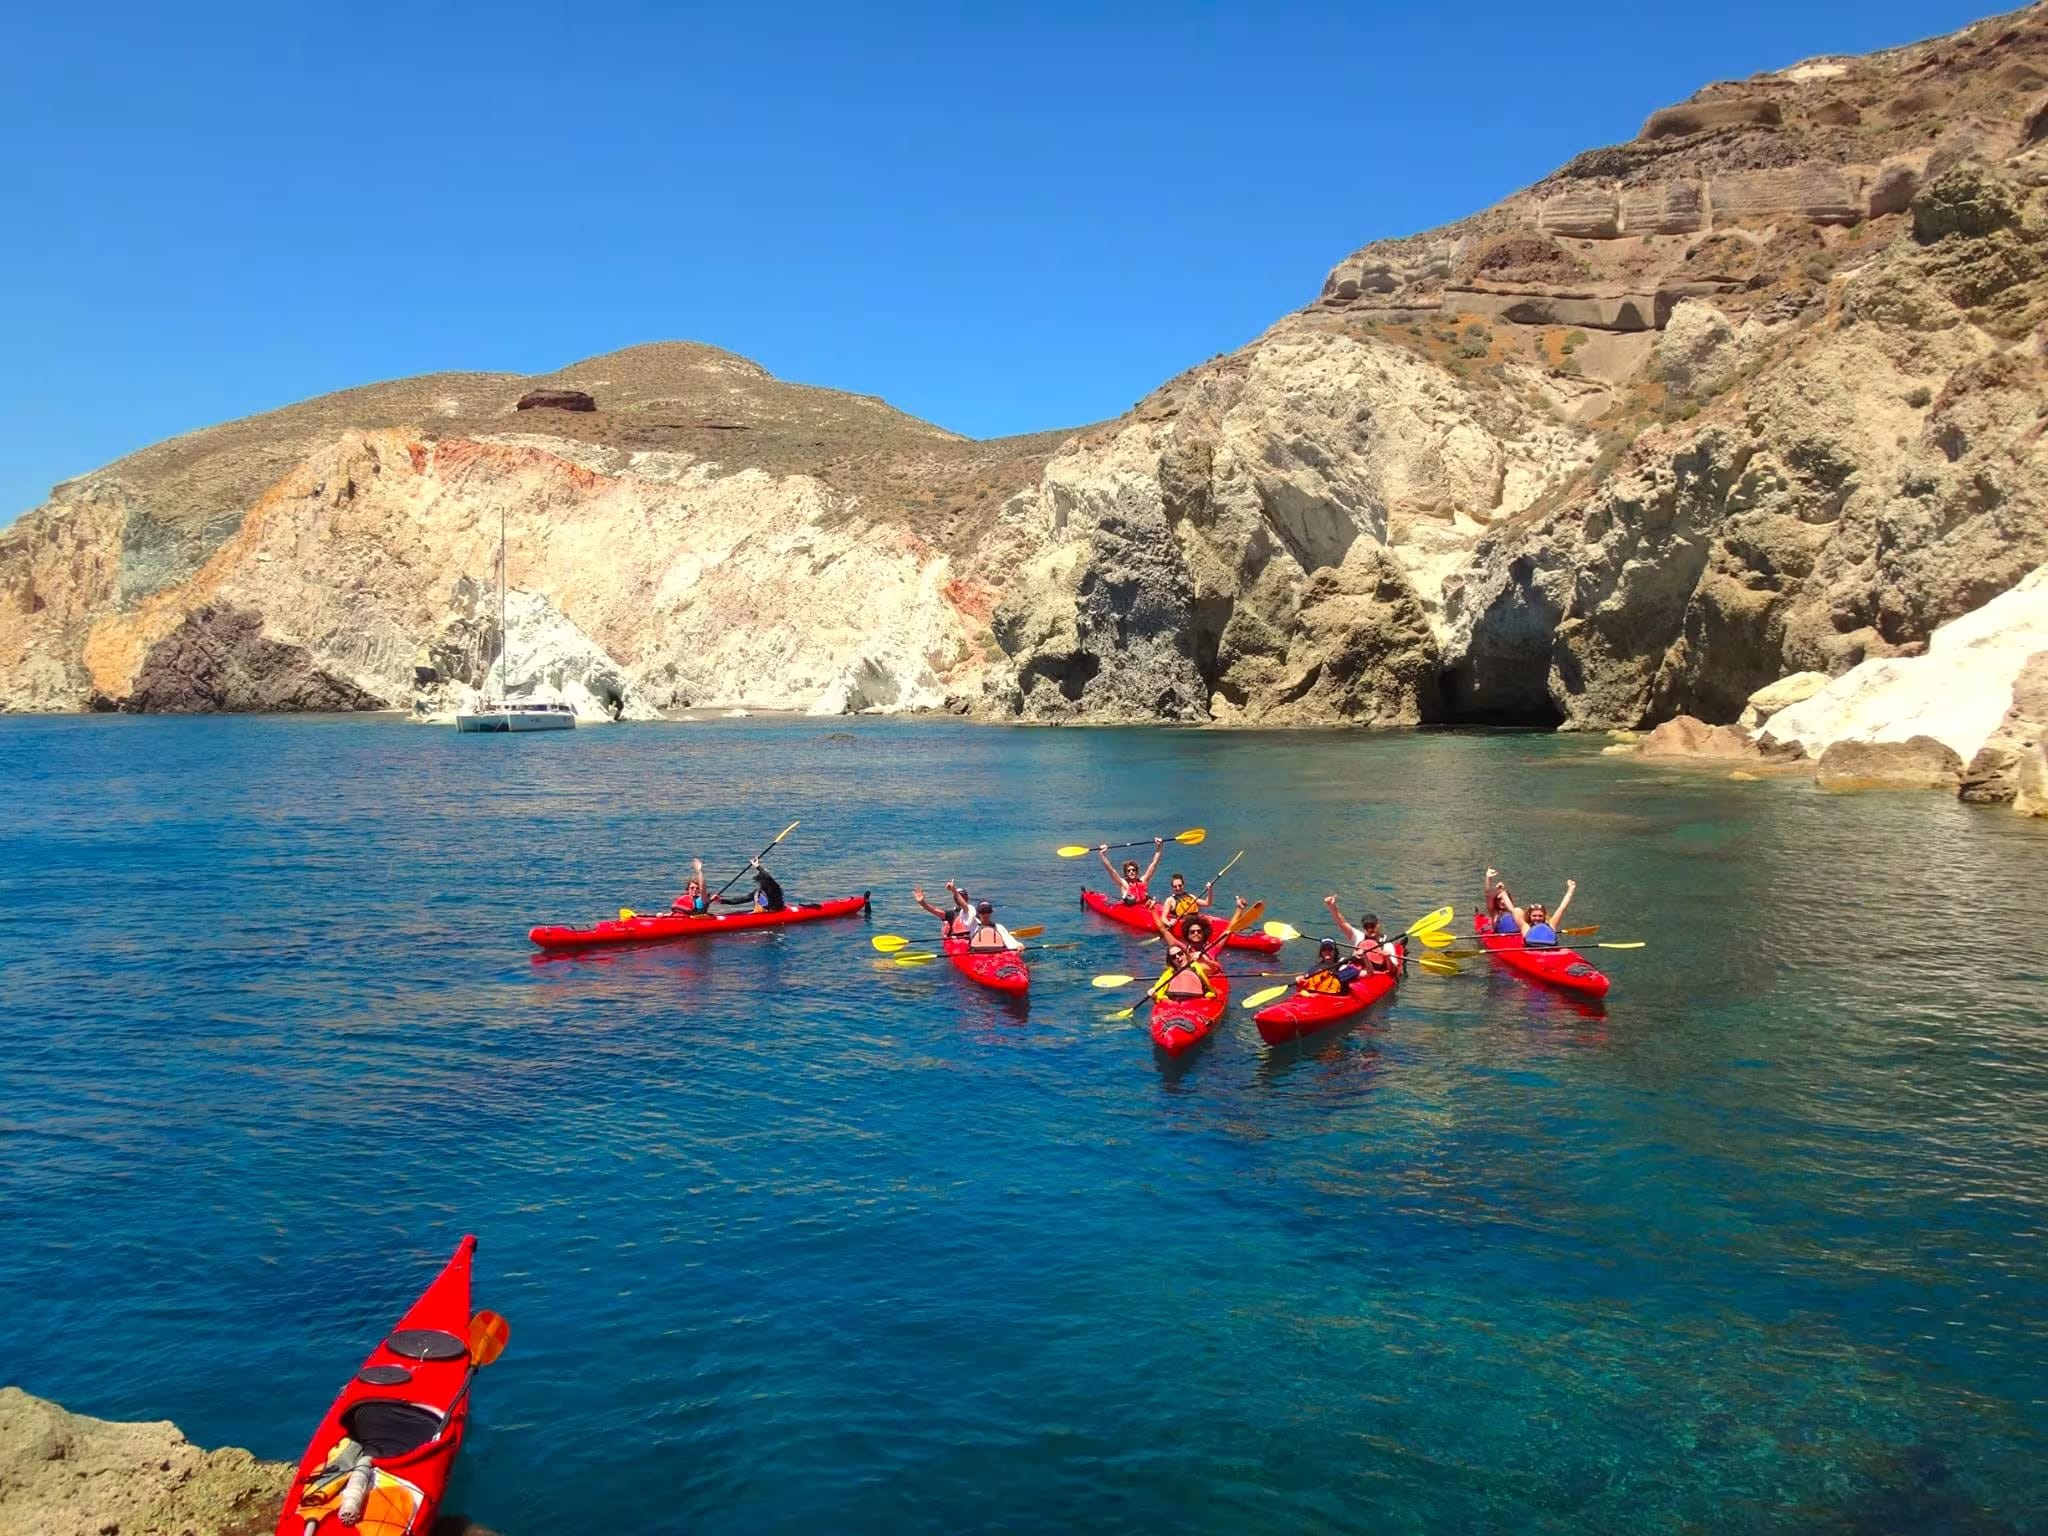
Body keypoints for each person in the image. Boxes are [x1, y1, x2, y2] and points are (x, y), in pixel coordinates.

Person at [1150, 900, 1244, 998]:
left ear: (1203, 933)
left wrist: (1239, 909)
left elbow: (1228, 930)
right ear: (1188, 934)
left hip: (1208, 982)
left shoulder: (1212, 948)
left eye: (1199, 931)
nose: (1196, 934)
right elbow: (1164, 931)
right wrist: (1153, 910)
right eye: (1192, 932)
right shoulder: (1183, 950)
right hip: (1188, 983)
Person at [1483, 868, 1575, 946]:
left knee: (1517, 910)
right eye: (1534, 916)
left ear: (1544, 916)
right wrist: (1498, 887)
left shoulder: (1549, 924)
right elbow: (1488, 895)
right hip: (1505, 940)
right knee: (1516, 910)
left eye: (1540, 916)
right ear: (1530, 917)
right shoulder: (1523, 926)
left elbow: (1562, 907)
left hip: (1525, 940)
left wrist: (1570, 890)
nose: (1537, 918)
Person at [1324, 896, 1399, 975]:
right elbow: (1342, 923)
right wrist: (1331, 906)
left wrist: (1387, 958)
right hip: (1357, 973)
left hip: (1375, 975)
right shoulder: (1359, 937)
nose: (1369, 929)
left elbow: (1394, 972)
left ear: (1378, 925)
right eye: (1366, 927)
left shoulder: (1387, 945)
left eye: (1372, 926)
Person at [1098, 837, 1164, 906]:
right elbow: (1111, 870)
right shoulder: (1124, 884)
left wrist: (1159, 846)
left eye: (1133, 870)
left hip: (1144, 908)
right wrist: (1102, 854)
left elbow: (1154, 864)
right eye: (1128, 871)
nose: (1131, 872)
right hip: (1131, 911)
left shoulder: (1143, 881)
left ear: (1136, 871)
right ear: (1126, 873)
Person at [719, 857, 786, 912]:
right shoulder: (757, 892)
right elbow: (741, 899)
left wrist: (757, 866)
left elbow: (767, 877)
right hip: (763, 912)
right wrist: (722, 901)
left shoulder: (775, 888)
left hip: (776, 911)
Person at [1292, 939, 1358, 995]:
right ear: (1321, 952)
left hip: (1336, 995)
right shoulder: (1316, 967)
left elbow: (1355, 972)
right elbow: (1306, 978)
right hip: (1320, 996)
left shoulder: (1342, 963)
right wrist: (1300, 980)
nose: (1327, 951)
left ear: (1335, 951)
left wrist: (1331, 975)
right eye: (1324, 949)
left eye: (1330, 949)